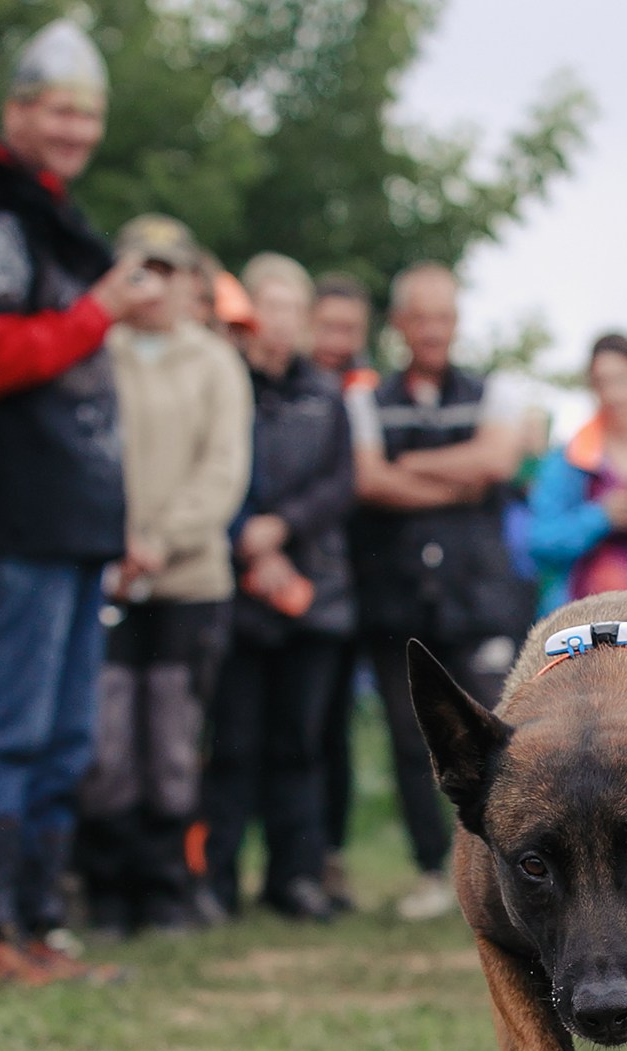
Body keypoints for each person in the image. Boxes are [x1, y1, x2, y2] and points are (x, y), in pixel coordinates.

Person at [0, 19, 166, 982]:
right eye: (59, 110)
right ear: (17, 111)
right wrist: (98, 312)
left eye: (88, 114)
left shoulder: (45, 214)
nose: (74, 130)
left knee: (64, 733)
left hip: (67, 523)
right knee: (6, 725)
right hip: (8, 517)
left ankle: (31, 922)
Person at [77, 215, 253, 934]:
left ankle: (166, 885)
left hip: (188, 580)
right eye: (137, 267)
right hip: (106, 575)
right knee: (109, 737)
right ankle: (107, 886)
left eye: (167, 268)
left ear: (190, 281)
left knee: (173, 737)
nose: (152, 282)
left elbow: (224, 469)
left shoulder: (214, 362)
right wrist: (111, 541)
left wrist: (162, 539)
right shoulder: (94, 353)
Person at [347, 262, 533, 922]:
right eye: (420, 317)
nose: (432, 329)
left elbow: (497, 463)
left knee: (498, 735)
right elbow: (368, 481)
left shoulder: (494, 392)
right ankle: (433, 868)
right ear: (399, 325)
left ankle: (508, 866)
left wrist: (410, 466)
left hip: (478, 596)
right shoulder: (365, 399)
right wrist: (460, 471)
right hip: (397, 599)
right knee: (409, 738)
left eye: (443, 316)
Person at [202, 253, 359, 922]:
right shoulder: (222, 383)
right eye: (270, 307)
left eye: (294, 309)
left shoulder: (326, 395)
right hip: (236, 591)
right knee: (233, 742)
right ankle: (215, 877)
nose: (282, 322)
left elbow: (340, 482)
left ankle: (295, 875)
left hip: (312, 591)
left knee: (301, 743)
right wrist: (247, 535)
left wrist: (282, 526)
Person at [308, 271, 376, 912]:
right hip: (301, 581)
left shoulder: (370, 393)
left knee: (334, 734)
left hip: (362, 584)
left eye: (350, 330)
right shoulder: (288, 390)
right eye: (328, 326)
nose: (338, 340)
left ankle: (327, 856)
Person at [526, 333, 627, 607]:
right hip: (579, 618)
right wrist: (602, 517)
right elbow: (539, 542)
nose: (612, 395)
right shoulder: (567, 460)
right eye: (601, 383)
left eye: (621, 380)